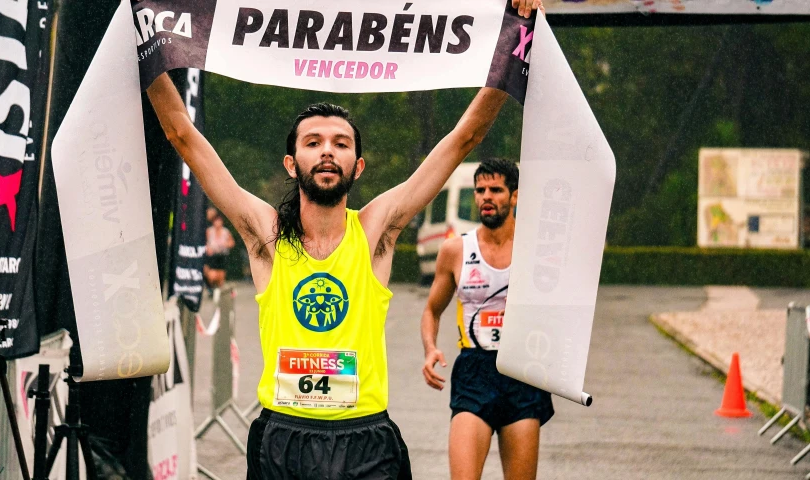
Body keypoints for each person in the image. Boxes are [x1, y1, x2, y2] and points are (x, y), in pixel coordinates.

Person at [146, 2, 541, 477]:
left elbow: (463, 138)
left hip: (364, 442)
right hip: (283, 439)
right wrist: (145, 44)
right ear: (292, 164)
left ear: (358, 167)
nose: (327, 150)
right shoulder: (268, 235)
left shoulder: (376, 229)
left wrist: (515, 37)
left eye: (341, 142)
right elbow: (181, 134)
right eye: (312, 142)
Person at [420, 158, 553, 480]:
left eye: (495, 189)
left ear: (515, 196)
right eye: (480, 190)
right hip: (474, 372)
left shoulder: (538, 249)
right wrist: (430, 348)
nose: (486, 197)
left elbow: (564, 311)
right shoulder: (454, 250)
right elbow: (431, 311)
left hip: (523, 371)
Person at [204, 210, 235, 300]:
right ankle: (211, 288)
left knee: (220, 277)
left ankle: (218, 294)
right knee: (211, 275)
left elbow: (232, 243)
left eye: (219, 221)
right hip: (212, 256)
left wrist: (226, 244)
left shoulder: (226, 232)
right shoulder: (209, 231)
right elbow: (204, 242)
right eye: (216, 221)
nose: (218, 223)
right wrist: (208, 248)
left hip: (222, 256)